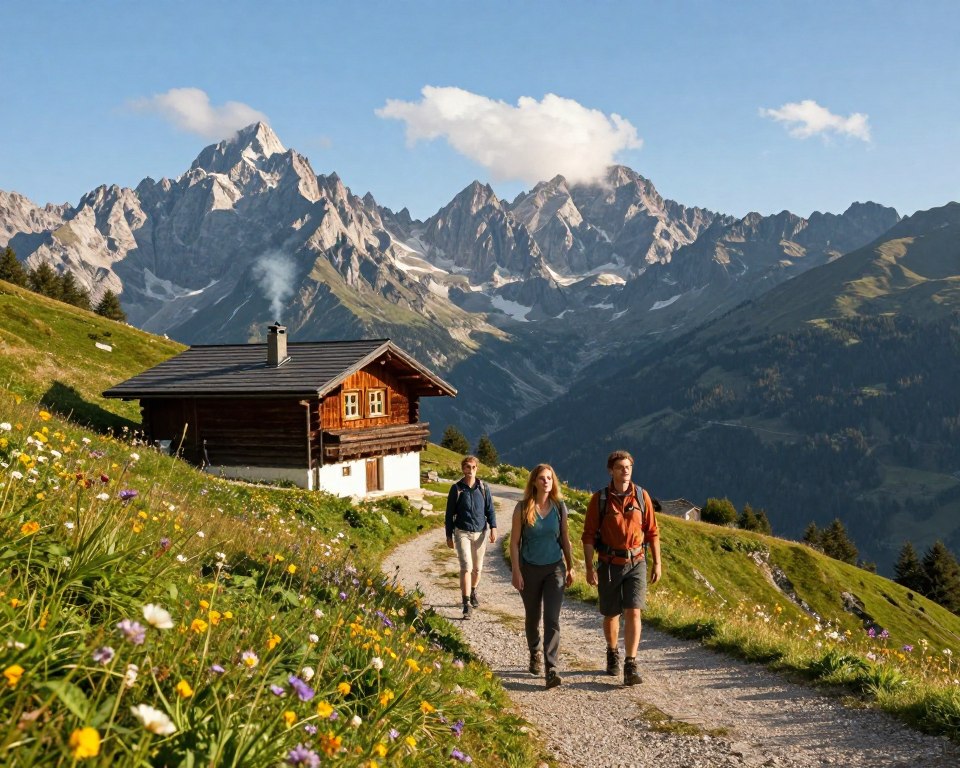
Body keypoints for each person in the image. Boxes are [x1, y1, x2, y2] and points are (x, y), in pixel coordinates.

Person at [581, 450, 661, 686]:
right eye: (620, 467)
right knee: (611, 613)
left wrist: (657, 562)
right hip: (608, 563)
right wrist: (588, 567)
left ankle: (630, 663)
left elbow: (652, 532)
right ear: (611, 471)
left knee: (634, 611)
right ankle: (612, 650)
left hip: (636, 561)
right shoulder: (600, 499)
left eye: (628, 467)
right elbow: (587, 536)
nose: (625, 470)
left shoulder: (641, 496)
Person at [510, 463, 575, 689]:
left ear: (553, 481)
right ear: (534, 482)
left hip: (555, 568)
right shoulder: (522, 508)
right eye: (541, 478)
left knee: (552, 618)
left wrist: (571, 565)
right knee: (533, 616)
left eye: (549, 478)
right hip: (529, 568)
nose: (546, 481)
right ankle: (534, 650)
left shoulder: (560, 507)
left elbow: (565, 538)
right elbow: (514, 543)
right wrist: (516, 571)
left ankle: (551, 668)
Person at [445, 455, 497, 619]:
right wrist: (449, 535)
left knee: (477, 568)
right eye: (467, 467)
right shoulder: (457, 489)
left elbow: (490, 510)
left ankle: (473, 590)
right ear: (463, 469)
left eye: (473, 467)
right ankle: (466, 603)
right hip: (462, 532)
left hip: (481, 532)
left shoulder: (483, 488)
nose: (470, 470)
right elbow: (449, 514)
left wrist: (493, 527)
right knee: (466, 567)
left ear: (477, 469)